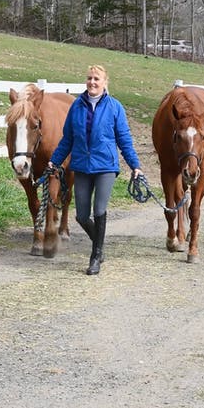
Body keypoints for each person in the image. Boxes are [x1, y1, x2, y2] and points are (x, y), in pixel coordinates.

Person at [48, 64, 143, 275]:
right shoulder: (76, 107)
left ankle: (95, 256)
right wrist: (54, 161)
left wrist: (135, 165)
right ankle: (99, 246)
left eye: (96, 79)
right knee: (81, 216)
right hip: (81, 165)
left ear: (104, 83)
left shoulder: (115, 107)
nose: (92, 82)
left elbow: (124, 139)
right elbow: (68, 139)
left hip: (105, 166)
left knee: (99, 210)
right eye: (89, 78)